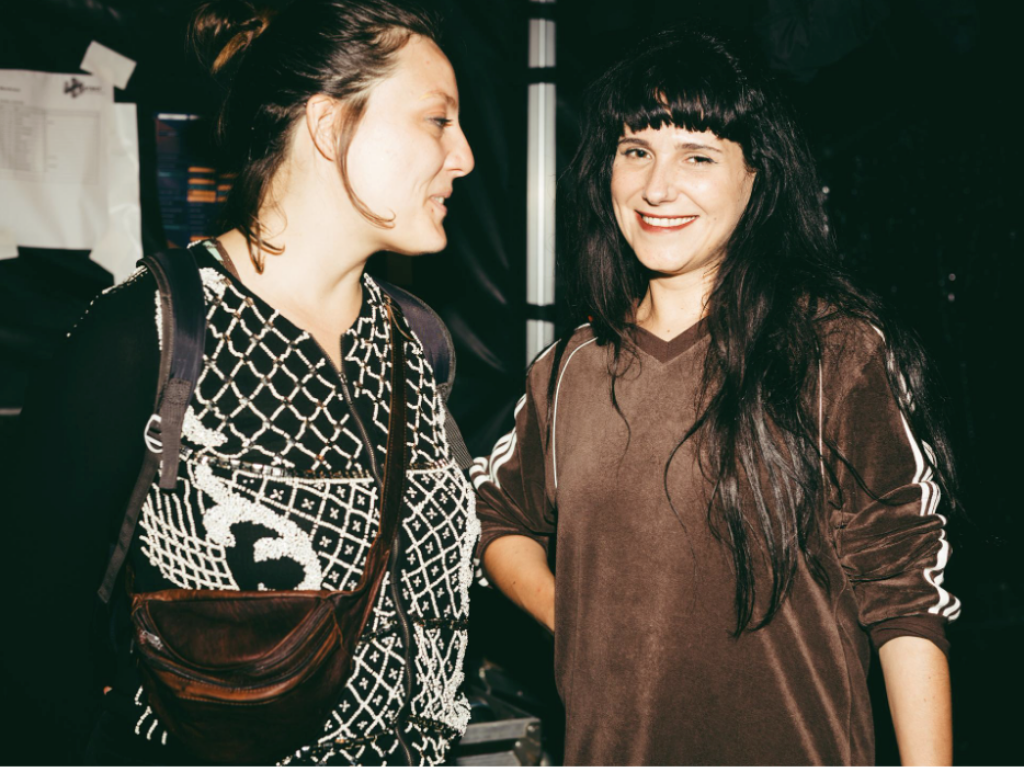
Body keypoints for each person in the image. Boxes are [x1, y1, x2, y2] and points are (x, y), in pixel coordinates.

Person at [0, 0, 477, 764]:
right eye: (437, 121)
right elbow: (28, 643)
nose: (465, 157)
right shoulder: (145, 336)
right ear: (328, 125)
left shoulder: (417, 341)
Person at [472, 27, 958, 766]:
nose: (656, 187)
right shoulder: (567, 369)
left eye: (696, 156)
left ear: (757, 177)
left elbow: (906, 596)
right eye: (635, 151)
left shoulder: (836, 351)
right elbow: (497, 515)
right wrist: (573, 616)